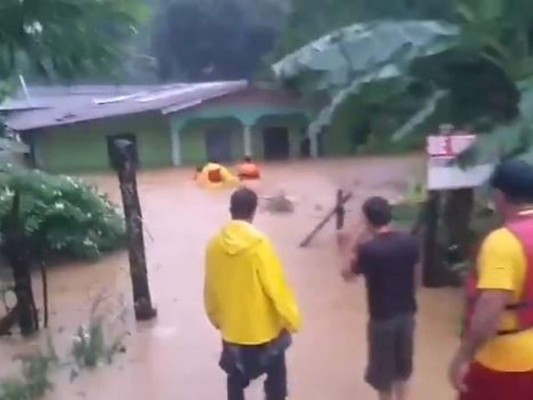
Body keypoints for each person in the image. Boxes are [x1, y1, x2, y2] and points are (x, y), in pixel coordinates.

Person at [204, 187, 301, 400]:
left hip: (232, 330)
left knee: (235, 380)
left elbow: (210, 288)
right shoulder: (259, 244)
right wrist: (292, 320)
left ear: (230, 210)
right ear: (253, 211)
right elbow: (275, 287)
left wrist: (217, 319)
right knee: (276, 383)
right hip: (265, 331)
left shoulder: (213, 246)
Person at [449, 159, 533, 399]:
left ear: (499, 195)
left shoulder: (502, 241)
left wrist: (463, 357)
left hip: (503, 362)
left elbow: (488, 311)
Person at [338, 196, 420, 400]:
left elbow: (347, 275)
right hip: (407, 314)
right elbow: (418, 278)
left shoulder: (369, 250)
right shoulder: (410, 241)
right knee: (403, 370)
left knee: (384, 377)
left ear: (367, 220)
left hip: (382, 318)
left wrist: (352, 240)